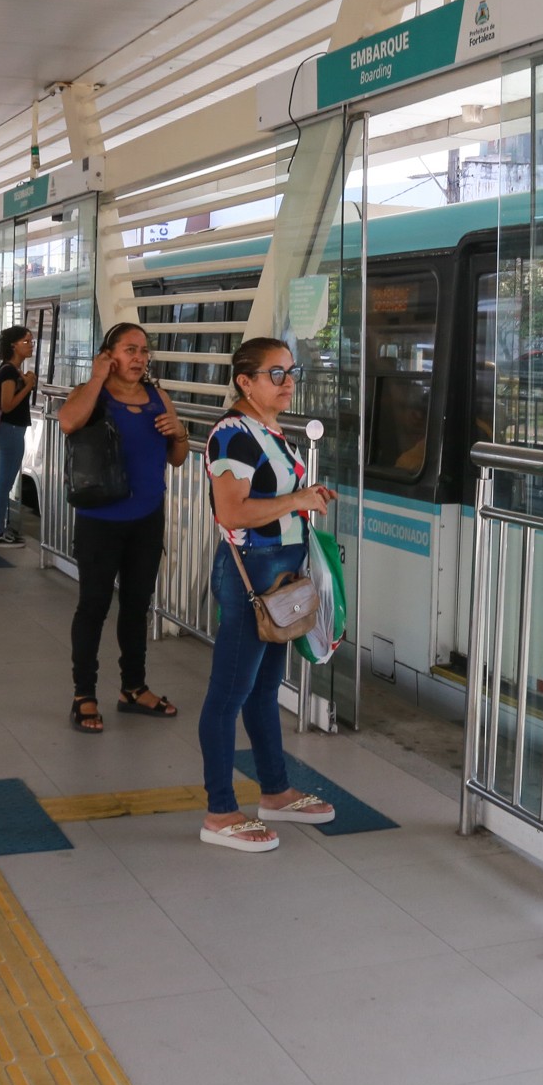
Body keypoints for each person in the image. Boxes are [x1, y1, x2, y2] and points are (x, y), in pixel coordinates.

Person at [196, 337, 336, 852]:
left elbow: (272, 501)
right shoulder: (233, 435)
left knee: (263, 688)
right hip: (250, 575)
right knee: (229, 693)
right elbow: (231, 513)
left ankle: (274, 791)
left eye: (290, 371)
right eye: (275, 374)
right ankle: (219, 810)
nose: (288, 382)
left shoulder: (267, 431)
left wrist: (305, 500)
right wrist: (299, 497)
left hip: (278, 577)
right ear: (245, 382)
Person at [55, 323, 190, 734]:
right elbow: (67, 422)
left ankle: (133, 688)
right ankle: (84, 694)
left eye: (144, 351)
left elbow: (178, 458)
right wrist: (97, 377)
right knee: (93, 607)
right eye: (130, 350)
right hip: (101, 520)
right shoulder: (92, 392)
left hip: (147, 519)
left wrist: (180, 433)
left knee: (136, 607)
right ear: (108, 354)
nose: (139, 358)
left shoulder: (157, 397)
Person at [0, 325, 36, 546]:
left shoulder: (13, 370)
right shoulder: (8, 371)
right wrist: (28, 387)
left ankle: (1, 527)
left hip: (14, 429)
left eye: (31, 341)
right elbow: (6, 405)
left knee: (6, 480)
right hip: (10, 429)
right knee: (4, 481)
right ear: (13, 345)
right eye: (26, 341)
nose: (30, 345)